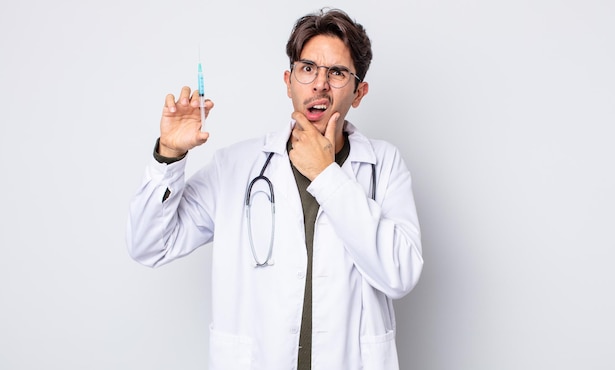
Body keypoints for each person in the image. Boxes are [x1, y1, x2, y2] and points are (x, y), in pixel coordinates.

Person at [127, 8, 423, 370]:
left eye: (338, 73)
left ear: (359, 93)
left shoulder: (385, 165)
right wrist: (169, 156)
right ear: (288, 81)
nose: (320, 84)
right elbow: (148, 245)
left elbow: (401, 273)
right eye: (308, 68)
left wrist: (327, 175)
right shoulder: (234, 167)